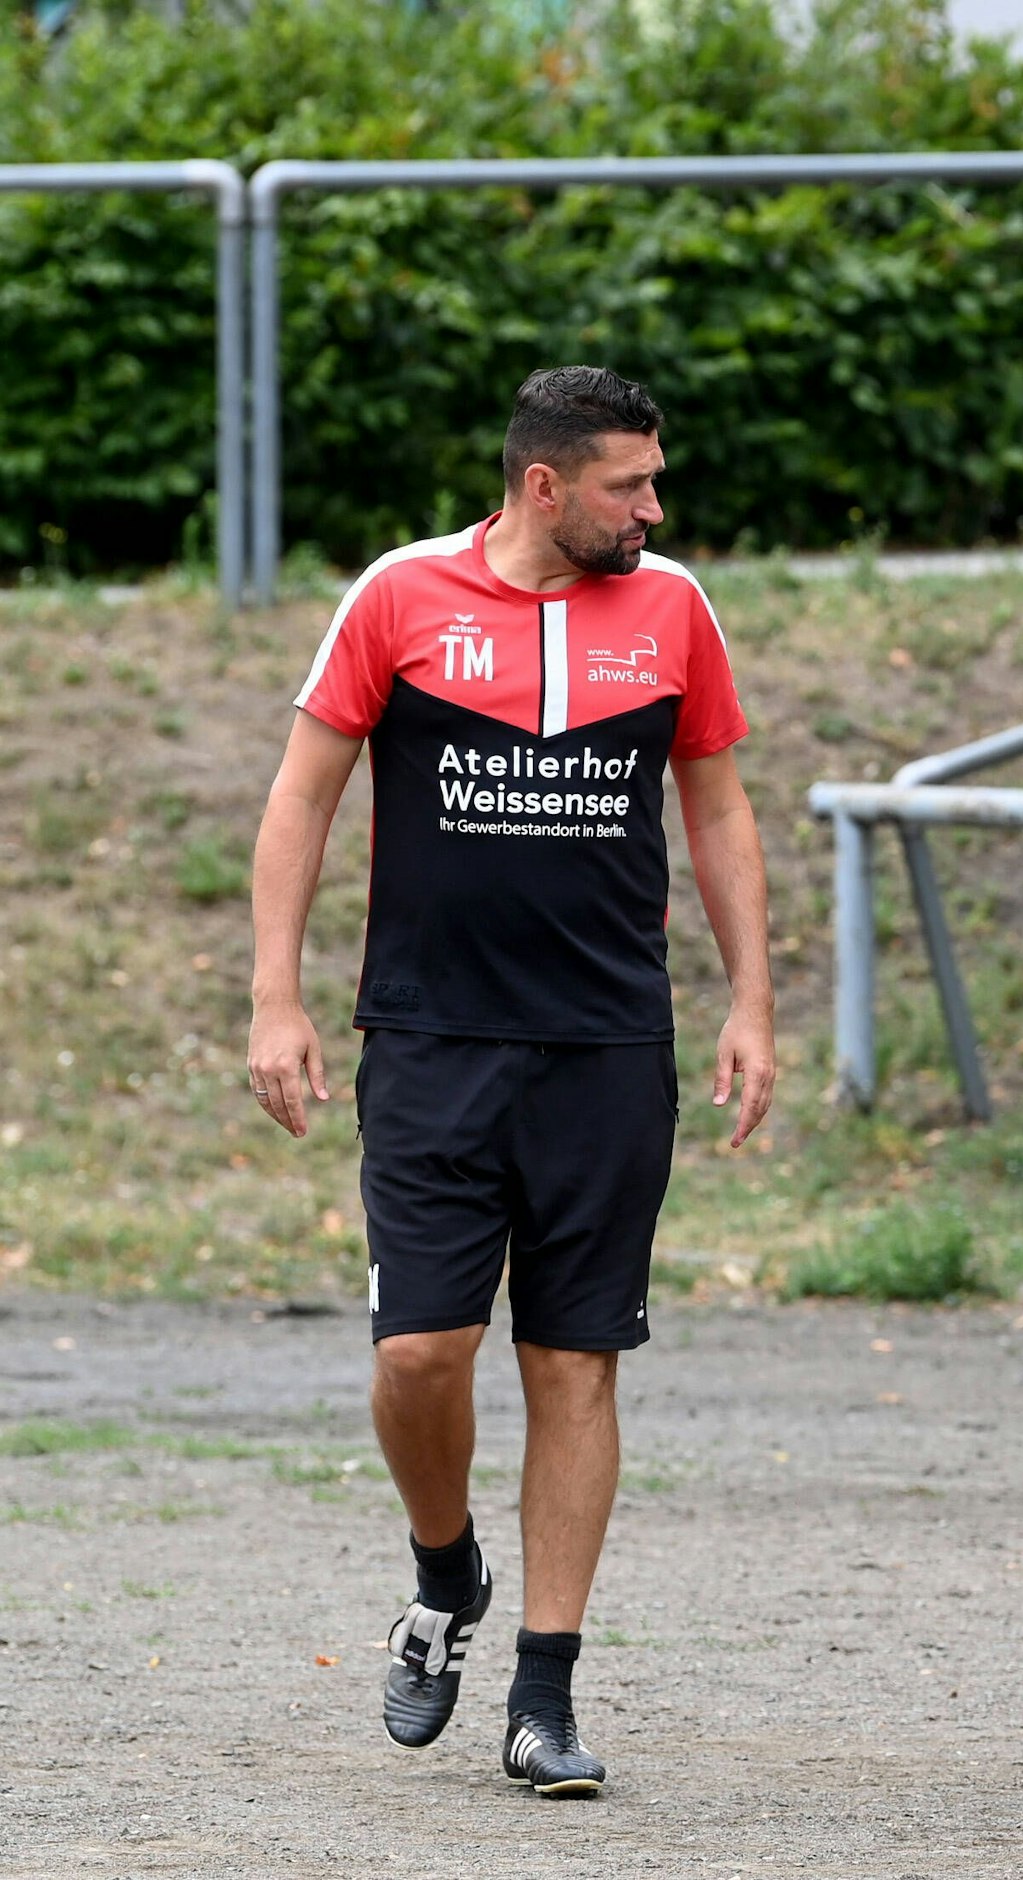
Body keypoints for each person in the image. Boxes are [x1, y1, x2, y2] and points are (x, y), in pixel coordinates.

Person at [247, 365, 774, 1798]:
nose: (652, 510)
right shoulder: (401, 596)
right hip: (429, 1038)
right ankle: (444, 1571)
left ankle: (545, 1691)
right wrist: (277, 995)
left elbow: (715, 799)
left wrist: (752, 1003)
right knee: (421, 1352)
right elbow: (305, 791)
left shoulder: (674, 609)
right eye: (629, 485)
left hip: (607, 1046)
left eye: (654, 483)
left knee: (573, 1361)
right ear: (544, 486)